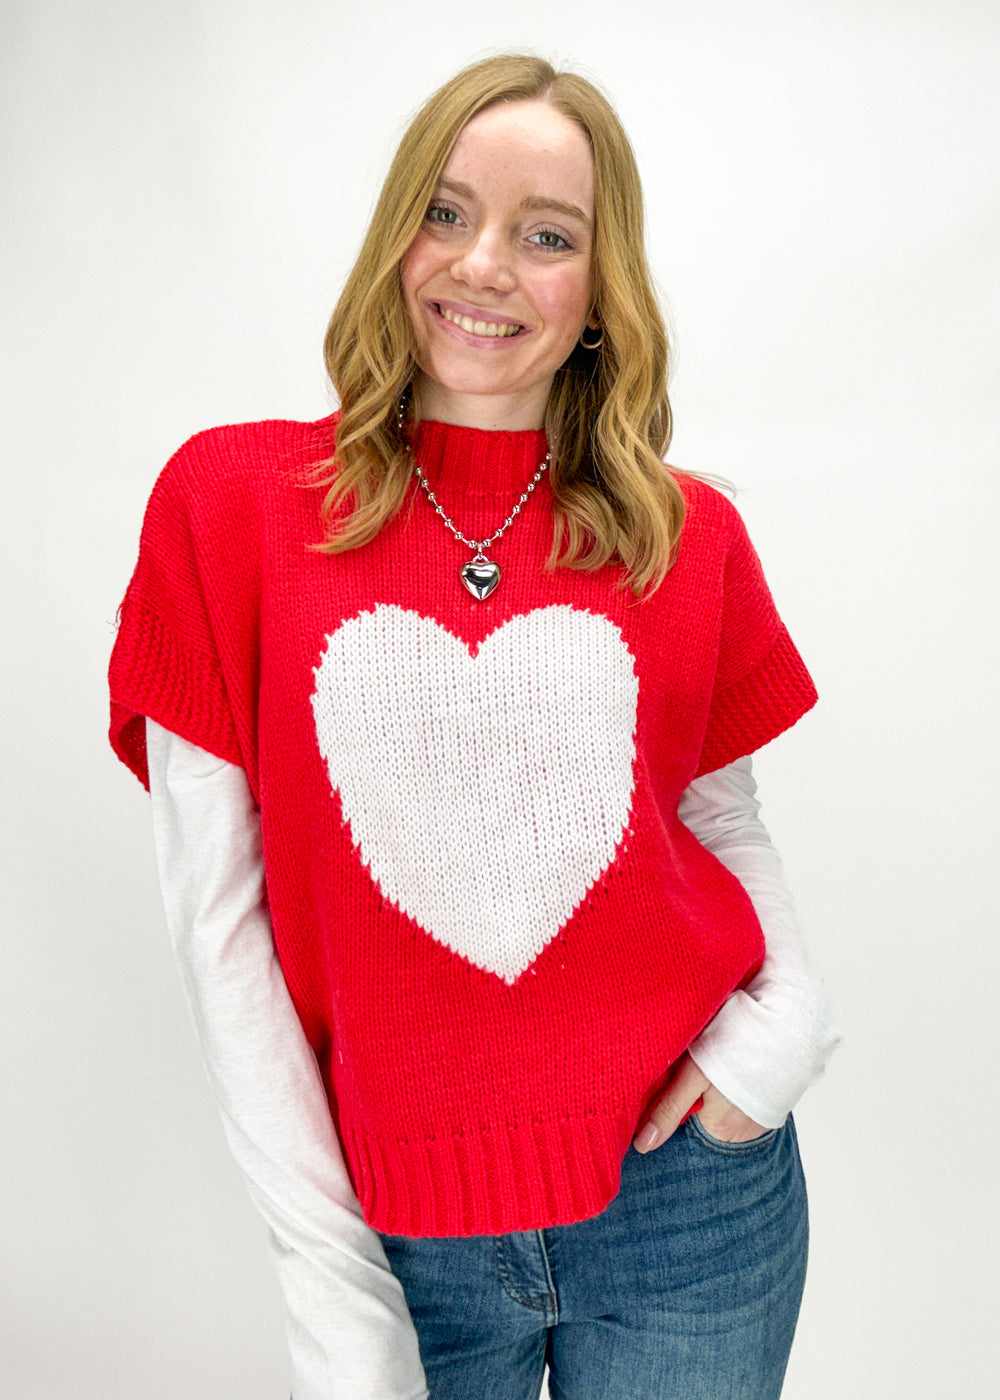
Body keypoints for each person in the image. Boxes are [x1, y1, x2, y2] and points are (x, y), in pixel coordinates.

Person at [109, 52, 840, 1400]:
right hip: (399, 1239)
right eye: (445, 213)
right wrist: (338, 1302)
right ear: (396, 233)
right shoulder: (230, 508)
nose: (484, 264)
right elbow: (220, 924)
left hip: (692, 1203)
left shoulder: (684, 533)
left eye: (546, 235)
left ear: (602, 290)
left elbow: (718, 823)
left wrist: (786, 1028)